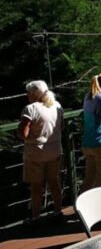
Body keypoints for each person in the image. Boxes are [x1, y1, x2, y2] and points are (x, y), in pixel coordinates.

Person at [18, 81, 64, 224]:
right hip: (55, 150)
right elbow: (61, 127)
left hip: (35, 154)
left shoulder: (30, 109)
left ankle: (36, 217)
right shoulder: (57, 106)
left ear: (33, 94)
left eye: (28, 93)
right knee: (54, 182)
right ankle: (58, 211)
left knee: (36, 186)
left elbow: (23, 134)